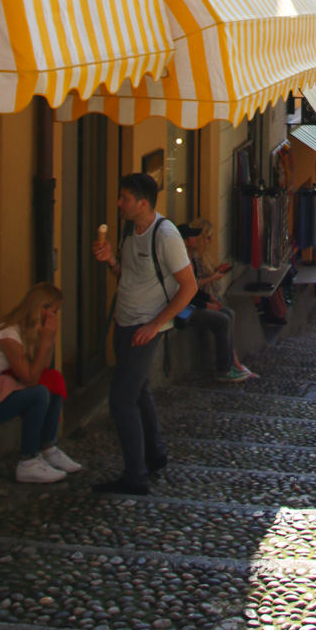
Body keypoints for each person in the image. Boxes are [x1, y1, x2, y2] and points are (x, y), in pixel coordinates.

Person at [92, 172, 198, 496]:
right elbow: (128, 274)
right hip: (124, 322)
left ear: (142, 203)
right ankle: (155, 454)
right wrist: (111, 259)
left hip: (144, 328)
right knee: (139, 392)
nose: (119, 203)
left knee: (121, 400)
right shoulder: (129, 228)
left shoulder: (165, 235)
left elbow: (189, 286)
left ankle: (135, 476)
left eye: (124, 198)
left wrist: (154, 325)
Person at [0, 282, 80, 484]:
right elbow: (30, 380)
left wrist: (48, 337)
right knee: (38, 393)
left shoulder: (23, 331)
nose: (54, 317)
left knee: (53, 380)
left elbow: (44, 367)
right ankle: (27, 462)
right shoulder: (8, 336)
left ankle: (48, 448)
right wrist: (45, 340)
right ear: (40, 309)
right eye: (52, 311)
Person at [178, 223, 254, 381]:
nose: (197, 238)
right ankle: (224, 369)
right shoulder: (181, 261)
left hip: (194, 303)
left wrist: (210, 299)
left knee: (229, 313)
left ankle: (231, 363)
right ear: (184, 241)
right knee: (222, 320)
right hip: (183, 310)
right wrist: (207, 304)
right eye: (193, 236)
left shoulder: (190, 257)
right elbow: (184, 292)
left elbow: (193, 288)